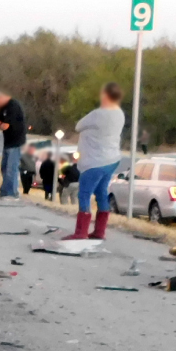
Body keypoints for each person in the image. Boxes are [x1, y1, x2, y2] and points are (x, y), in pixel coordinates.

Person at [64, 83, 126, 240]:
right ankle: (99, 231)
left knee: (84, 194)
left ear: (105, 95)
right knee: (101, 193)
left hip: (94, 161)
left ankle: (81, 232)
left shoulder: (98, 114)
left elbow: (78, 126)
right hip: (112, 159)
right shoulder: (120, 114)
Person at [0, 90, 25, 200]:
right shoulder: (3, 108)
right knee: (4, 167)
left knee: (12, 168)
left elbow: (5, 126)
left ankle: (12, 193)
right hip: (7, 142)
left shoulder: (13, 106)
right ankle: (4, 190)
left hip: (16, 141)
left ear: (0, 98)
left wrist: (2, 125)